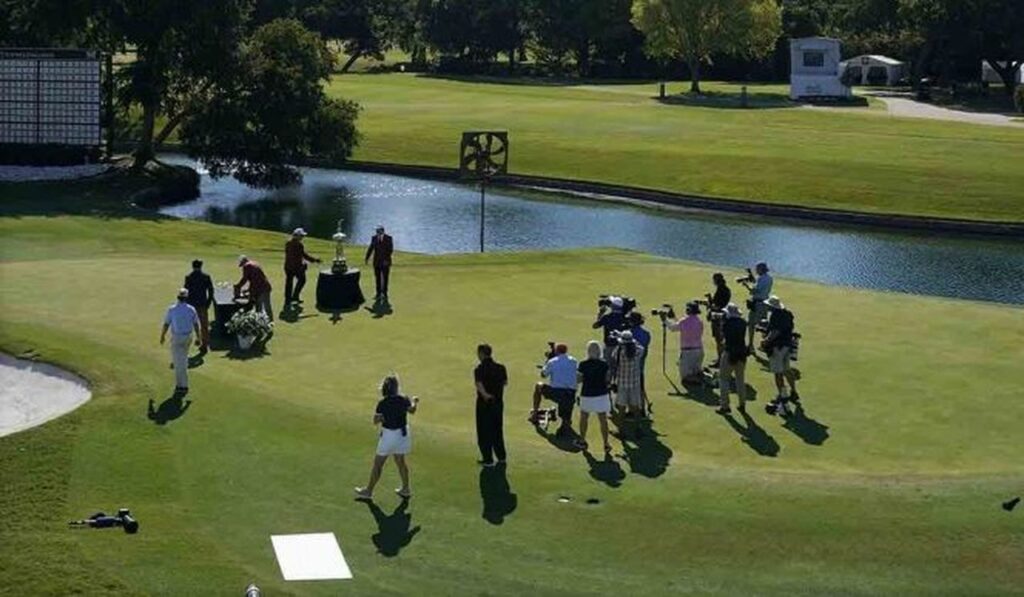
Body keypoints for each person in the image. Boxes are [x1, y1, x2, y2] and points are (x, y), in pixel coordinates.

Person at [355, 375, 419, 500]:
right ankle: (406, 489)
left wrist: (383, 417)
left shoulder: (382, 403)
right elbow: (412, 410)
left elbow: (375, 420)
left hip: (389, 436)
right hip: (403, 435)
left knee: (378, 464)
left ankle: (368, 491)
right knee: (401, 462)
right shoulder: (403, 399)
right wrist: (415, 401)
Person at [530, 343, 578, 437]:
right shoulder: (574, 361)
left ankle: (535, 414)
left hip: (557, 393)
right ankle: (566, 422)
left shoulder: (552, 361)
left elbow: (543, 375)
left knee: (538, 386)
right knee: (565, 416)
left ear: (556, 351)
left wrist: (547, 362)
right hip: (571, 393)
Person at [160, 288, 200, 394]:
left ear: (178, 297)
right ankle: (182, 385)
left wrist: (162, 336)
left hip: (177, 338)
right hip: (188, 337)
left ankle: (182, 386)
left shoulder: (172, 309)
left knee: (178, 363)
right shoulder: (191, 309)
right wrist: (198, 338)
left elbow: (166, 324)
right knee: (183, 360)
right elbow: (196, 324)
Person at [763, 295, 799, 411]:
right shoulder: (787, 313)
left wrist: (766, 340)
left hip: (777, 348)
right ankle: (793, 391)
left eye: (768, 305)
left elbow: (775, 331)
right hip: (786, 346)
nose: (767, 307)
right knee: (786, 369)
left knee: (778, 374)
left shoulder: (775, 315)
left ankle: (783, 397)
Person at [474, 344, 508, 467]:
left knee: (484, 431)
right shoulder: (501, 368)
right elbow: (505, 382)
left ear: (482, 353)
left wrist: (486, 395)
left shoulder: (479, 369)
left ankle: (488, 459)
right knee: (497, 429)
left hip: (484, 404)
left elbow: (479, 385)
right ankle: (501, 457)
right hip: (498, 402)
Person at [576, 340, 612, 453]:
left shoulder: (583, 364)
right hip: (601, 394)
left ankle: (582, 440)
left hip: (587, 394)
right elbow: (607, 379)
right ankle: (606, 443)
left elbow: (579, 380)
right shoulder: (604, 364)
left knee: (584, 418)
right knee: (603, 420)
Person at [716, 303, 749, 415]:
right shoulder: (743, 323)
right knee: (740, 380)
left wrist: (721, 322)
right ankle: (742, 404)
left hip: (730, 352)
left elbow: (722, 337)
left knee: (723, 379)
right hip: (742, 353)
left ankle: (725, 406)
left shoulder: (727, 324)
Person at [610, 331, 645, 418]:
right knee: (635, 407)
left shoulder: (619, 351)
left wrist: (620, 339)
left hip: (622, 383)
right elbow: (641, 348)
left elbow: (613, 356)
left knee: (621, 408)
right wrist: (632, 341)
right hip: (634, 383)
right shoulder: (638, 351)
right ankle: (638, 427)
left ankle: (621, 428)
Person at [667, 301, 705, 384]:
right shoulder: (699, 321)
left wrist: (664, 320)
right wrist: (673, 318)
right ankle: (703, 376)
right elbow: (681, 326)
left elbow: (673, 328)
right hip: (699, 350)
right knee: (695, 371)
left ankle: (701, 381)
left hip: (688, 352)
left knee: (685, 378)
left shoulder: (684, 321)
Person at [284, 228, 321, 307]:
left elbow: (300, 256)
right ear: (296, 236)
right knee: (301, 280)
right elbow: (303, 256)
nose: (302, 237)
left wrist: (312, 260)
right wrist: (313, 261)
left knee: (289, 283)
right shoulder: (299, 245)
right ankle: (294, 297)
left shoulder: (288, 243)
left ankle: (289, 300)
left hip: (288, 266)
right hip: (295, 267)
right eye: (301, 236)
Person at [183, 259, 214, 353]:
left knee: (190, 325)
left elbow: (185, 291)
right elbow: (211, 290)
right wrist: (209, 302)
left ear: (193, 266)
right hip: (202, 304)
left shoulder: (188, 277)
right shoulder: (206, 277)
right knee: (204, 325)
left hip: (191, 304)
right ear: (201, 266)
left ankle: (192, 341)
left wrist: (185, 303)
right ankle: (204, 345)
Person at [741, 262, 773, 350]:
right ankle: (766, 343)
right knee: (764, 324)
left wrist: (746, 285)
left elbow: (754, 291)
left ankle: (751, 345)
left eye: (757, 269)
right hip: (765, 303)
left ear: (761, 269)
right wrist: (750, 274)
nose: (756, 271)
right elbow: (757, 284)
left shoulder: (762, 278)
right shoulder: (769, 278)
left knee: (751, 324)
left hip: (758, 303)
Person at [235, 255, 273, 322]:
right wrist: (248, 290)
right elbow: (255, 279)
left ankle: (260, 322)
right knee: (267, 307)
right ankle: (270, 321)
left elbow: (244, 279)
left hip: (260, 289)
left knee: (259, 307)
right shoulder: (255, 264)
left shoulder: (247, 266)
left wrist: (238, 286)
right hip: (266, 286)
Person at [627, 311, 652, 412]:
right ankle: (642, 409)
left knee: (629, 389)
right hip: (641, 364)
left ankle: (632, 410)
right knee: (640, 387)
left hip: (630, 366)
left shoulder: (629, 334)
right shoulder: (646, 334)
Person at [705, 273, 732, 360]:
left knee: (719, 339)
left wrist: (708, 304)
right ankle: (721, 358)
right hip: (723, 316)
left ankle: (721, 360)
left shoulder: (721, 290)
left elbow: (716, 306)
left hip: (717, 317)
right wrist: (710, 298)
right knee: (721, 339)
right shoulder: (726, 289)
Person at [364, 225, 394, 300]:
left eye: (378, 230)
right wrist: (367, 258)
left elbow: (390, 250)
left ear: (382, 231)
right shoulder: (374, 238)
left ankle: (385, 293)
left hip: (385, 262)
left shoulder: (388, 238)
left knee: (385, 278)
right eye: (376, 231)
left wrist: (386, 260)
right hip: (376, 262)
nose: (376, 232)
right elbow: (371, 248)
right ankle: (378, 293)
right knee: (377, 278)